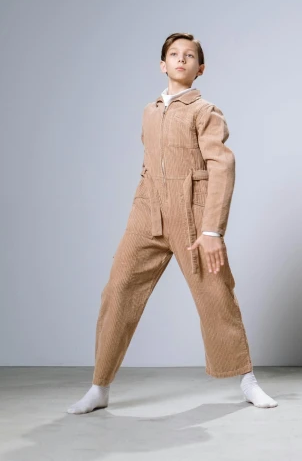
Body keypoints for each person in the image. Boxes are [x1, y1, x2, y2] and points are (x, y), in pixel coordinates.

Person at [67, 33, 277, 414]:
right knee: (118, 289)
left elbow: (222, 166)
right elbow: (149, 163)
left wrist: (212, 229)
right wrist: (142, 204)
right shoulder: (149, 112)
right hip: (147, 210)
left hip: (192, 213)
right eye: (174, 55)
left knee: (216, 293)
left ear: (201, 68)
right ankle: (99, 386)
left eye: (190, 56)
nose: (182, 60)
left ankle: (247, 380)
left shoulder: (205, 111)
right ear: (163, 64)